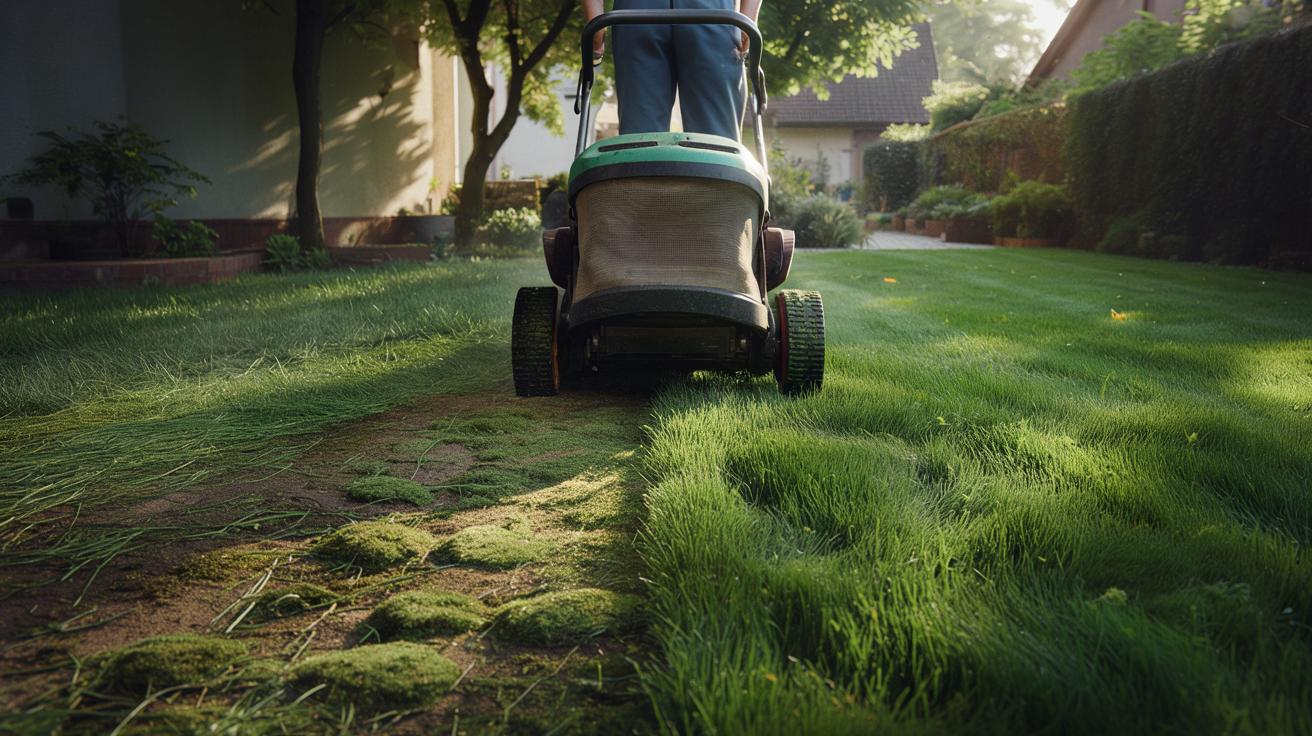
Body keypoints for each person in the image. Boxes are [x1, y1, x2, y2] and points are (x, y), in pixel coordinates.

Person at [581, 0, 762, 141]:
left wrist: (595, 24)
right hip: (712, 12)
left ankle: (642, 176)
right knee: (716, 140)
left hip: (637, 12)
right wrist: (748, 18)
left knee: (640, 138)